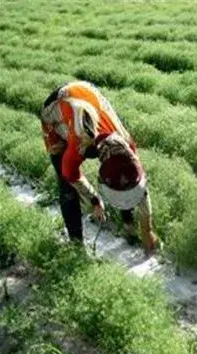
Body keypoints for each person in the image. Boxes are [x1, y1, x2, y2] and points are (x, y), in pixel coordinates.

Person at [40, 81, 159, 251]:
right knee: (67, 187)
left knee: (124, 182)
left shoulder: (128, 146)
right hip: (56, 109)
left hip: (87, 94)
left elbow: (139, 189)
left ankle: (128, 227)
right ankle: (76, 247)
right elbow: (72, 176)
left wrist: (147, 230)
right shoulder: (77, 149)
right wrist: (94, 200)